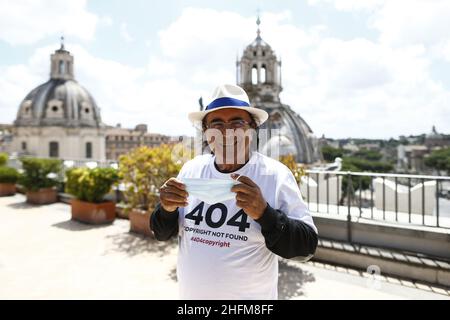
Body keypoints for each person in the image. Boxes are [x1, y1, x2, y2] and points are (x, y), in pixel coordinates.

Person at [150, 84, 318, 299]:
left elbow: (306, 248)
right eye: (216, 123)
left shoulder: (274, 175)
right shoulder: (191, 169)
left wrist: (265, 214)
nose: (227, 132)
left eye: (237, 122)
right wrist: (166, 209)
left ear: (253, 128)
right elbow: (161, 233)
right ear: (205, 132)